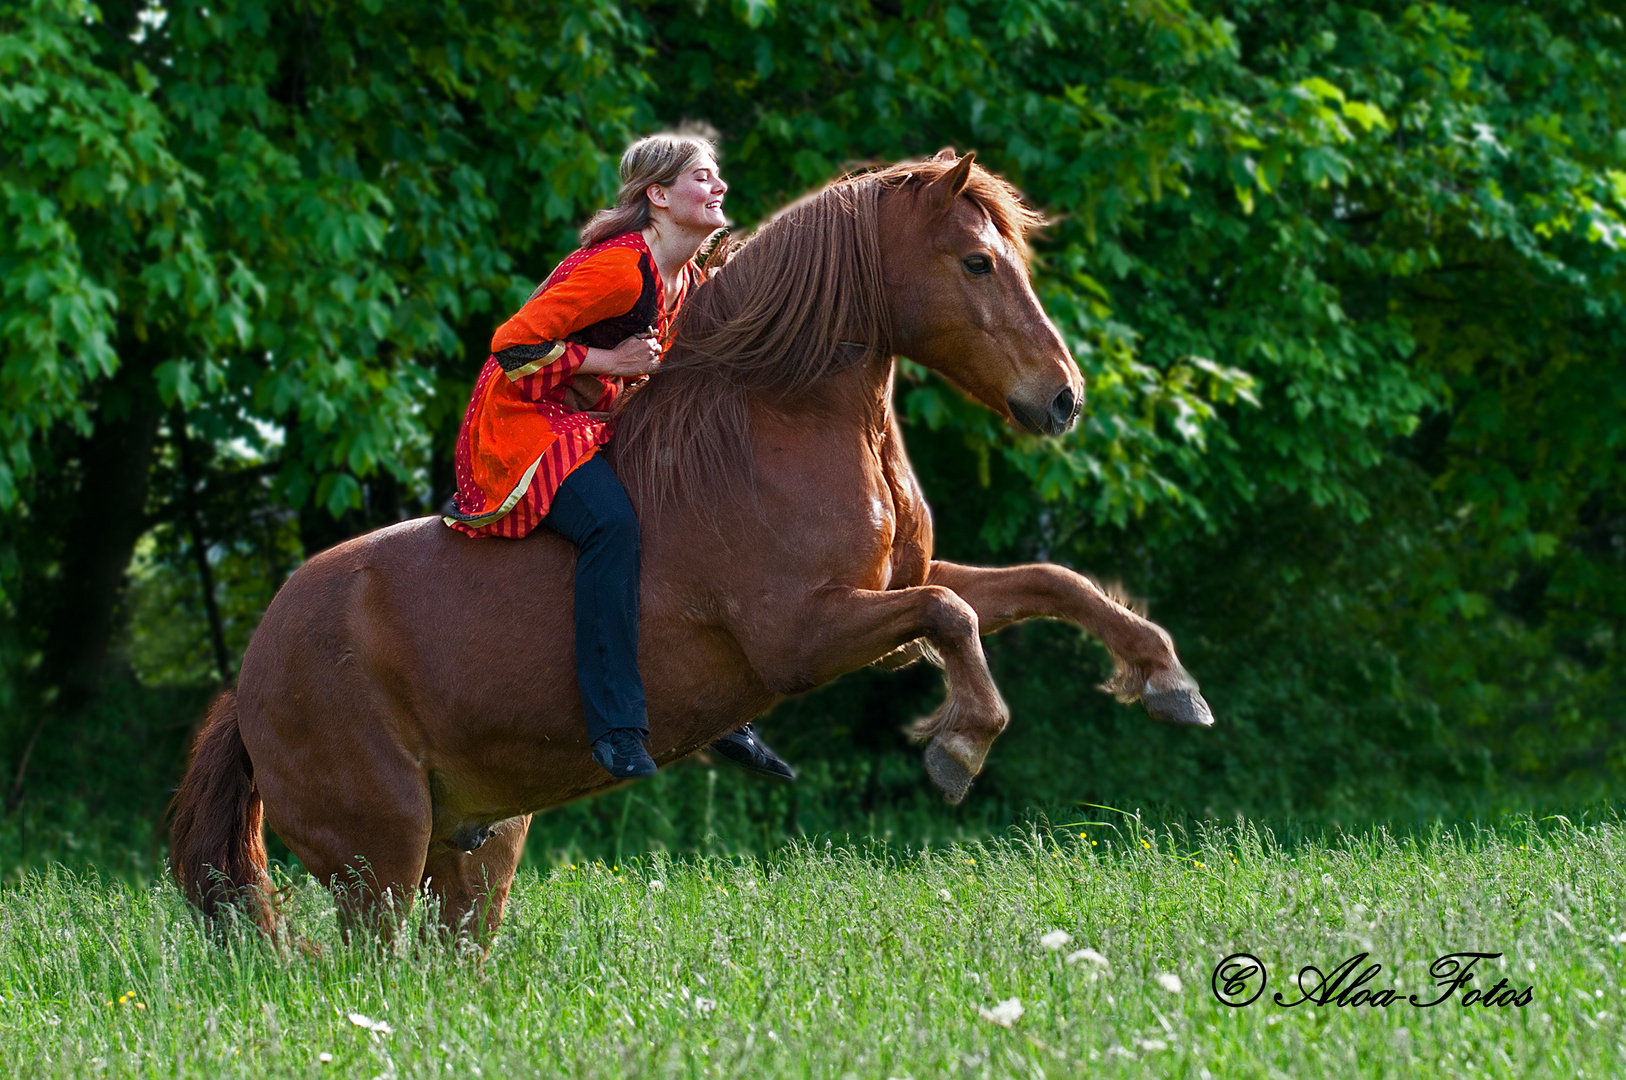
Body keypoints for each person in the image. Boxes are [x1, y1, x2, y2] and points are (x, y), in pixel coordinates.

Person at [444, 132, 794, 782]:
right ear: (658, 195)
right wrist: (610, 360)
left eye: (718, 176)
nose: (719, 187)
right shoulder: (616, 267)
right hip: (523, 420)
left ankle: (724, 715)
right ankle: (615, 729)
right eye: (703, 176)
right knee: (611, 525)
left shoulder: (683, 277)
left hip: (591, 417)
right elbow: (510, 346)